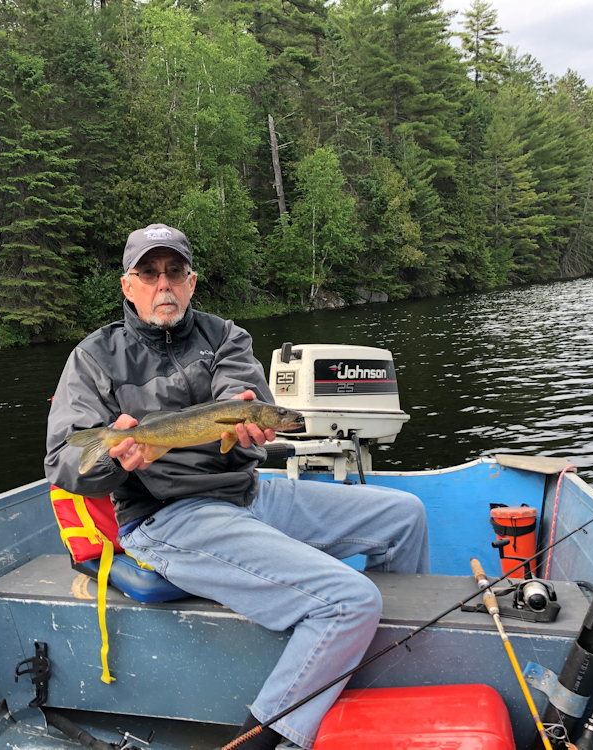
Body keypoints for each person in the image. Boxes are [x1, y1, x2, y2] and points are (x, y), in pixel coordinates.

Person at [45, 224, 430, 750]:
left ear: (192, 281)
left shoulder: (225, 336)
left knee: (405, 515)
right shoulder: (94, 357)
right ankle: (261, 737)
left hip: (247, 493)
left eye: (175, 272)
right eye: (150, 273)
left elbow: (240, 394)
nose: (164, 285)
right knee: (350, 599)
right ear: (127, 285)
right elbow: (63, 461)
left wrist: (247, 419)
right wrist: (116, 460)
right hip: (166, 514)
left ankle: (380, 684)